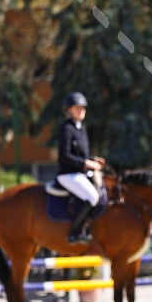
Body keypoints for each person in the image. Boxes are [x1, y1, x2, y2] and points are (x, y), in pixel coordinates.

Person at [56, 91, 105, 244]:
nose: (82, 110)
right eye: (77, 107)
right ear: (68, 110)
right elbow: (64, 156)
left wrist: (93, 159)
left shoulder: (81, 128)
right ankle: (74, 233)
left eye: (83, 107)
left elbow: (82, 155)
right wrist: (86, 164)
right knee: (93, 196)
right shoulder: (66, 129)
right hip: (67, 174)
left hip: (80, 174)